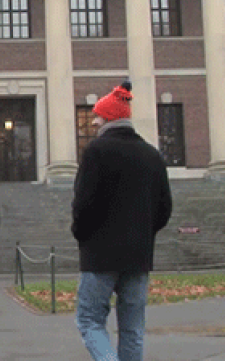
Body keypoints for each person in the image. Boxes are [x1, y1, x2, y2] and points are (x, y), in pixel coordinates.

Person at [72, 81, 173, 361]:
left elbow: (83, 204)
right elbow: (164, 208)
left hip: (100, 254)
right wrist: (144, 231)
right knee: (132, 329)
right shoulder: (152, 155)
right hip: (139, 253)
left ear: (107, 118)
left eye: (97, 117)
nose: (93, 122)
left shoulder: (96, 152)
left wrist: (81, 234)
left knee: (90, 320)